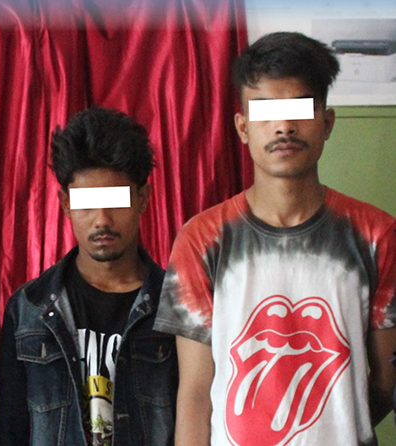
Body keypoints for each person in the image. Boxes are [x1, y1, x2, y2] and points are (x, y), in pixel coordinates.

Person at [155, 32, 396, 446]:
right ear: (243, 127)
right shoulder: (201, 240)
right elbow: (195, 394)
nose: (284, 126)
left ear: (327, 123)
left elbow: (386, 379)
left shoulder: (376, 234)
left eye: (299, 109)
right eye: (266, 112)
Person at [0, 106, 177, 446]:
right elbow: (11, 430)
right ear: (66, 203)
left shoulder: (176, 305)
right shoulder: (28, 309)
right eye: (87, 203)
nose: (101, 220)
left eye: (115, 200)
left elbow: (197, 418)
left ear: (143, 198)